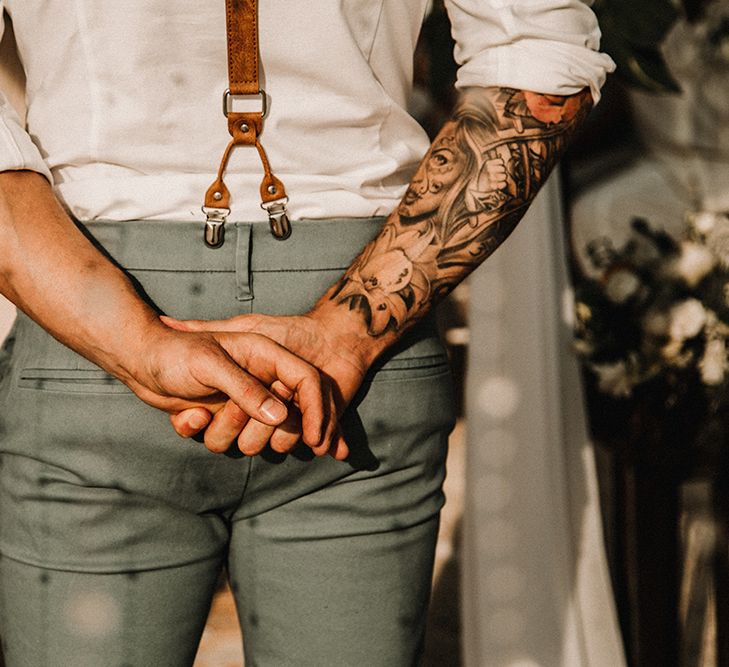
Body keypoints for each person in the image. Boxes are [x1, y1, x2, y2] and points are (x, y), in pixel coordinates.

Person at [0, 1, 614, 665]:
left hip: (86, 334)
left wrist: (136, 345)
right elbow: (541, 67)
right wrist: (348, 330)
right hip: (369, 327)